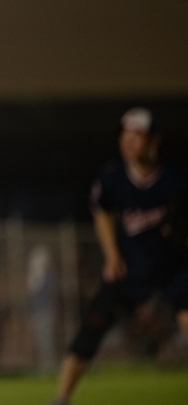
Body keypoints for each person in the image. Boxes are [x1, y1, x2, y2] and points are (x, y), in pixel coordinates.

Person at [51, 107, 188, 405]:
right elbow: (102, 212)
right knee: (92, 326)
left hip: (174, 267)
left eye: (135, 137)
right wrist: (112, 256)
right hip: (131, 269)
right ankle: (61, 398)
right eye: (124, 138)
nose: (128, 144)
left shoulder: (177, 179)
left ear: (154, 140)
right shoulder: (113, 179)